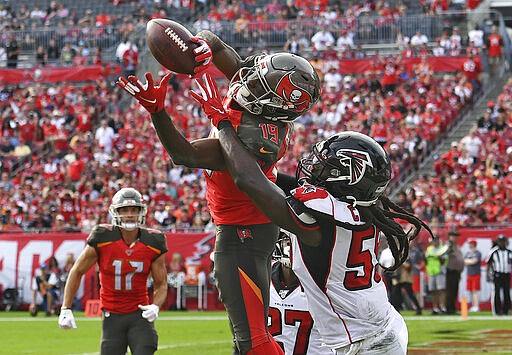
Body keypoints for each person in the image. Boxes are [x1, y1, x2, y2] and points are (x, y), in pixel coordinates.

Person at [117, 27, 320, 355]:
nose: (248, 79)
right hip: (254, 231)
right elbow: (231, 57)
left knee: (253, 342)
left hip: (241, 239)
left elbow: (185, 154)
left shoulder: (253, 136)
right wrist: (203, 43)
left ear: (268, 101)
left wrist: (158, 113)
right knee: (247, 340)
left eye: (258, 83)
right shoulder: (259, 107)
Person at [193, 81, 432, 354]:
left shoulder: (325, 218)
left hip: (364, 344)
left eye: (326, 166)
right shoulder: (361, 207)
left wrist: (223, 124)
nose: (314, 168)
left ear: (349, 178)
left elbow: (250, 181)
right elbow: (273, 182)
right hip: (378, 325)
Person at [57, 187, 168, 355]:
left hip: (140, 313)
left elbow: (161, 283)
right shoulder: (102, 237)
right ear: (116, 212)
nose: (130, 214)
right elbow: (77, 271)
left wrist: (155, 306)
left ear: (141, 212)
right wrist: (66, 308)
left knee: (146, 348)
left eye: (134, 210)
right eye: (124, 210)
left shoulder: (153, 241)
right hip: (112, 315)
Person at [269, 231, 331, 355]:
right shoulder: (262, 276)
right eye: (289, 241)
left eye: (299, 242)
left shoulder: (325, 281)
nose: (294, 247)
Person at [486, 234, 511, 316]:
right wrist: (488, 275)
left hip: (506, 273)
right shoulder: (494, 251)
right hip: (497, 274)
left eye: (503, 241)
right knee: (497, 292)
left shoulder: (509, 252)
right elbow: (489, 264)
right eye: (500, 241)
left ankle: (506, 310)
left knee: (506, 292)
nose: (502, 243)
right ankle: (497, 310)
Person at [425, 235, 448, 314]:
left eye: (435, 240)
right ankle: (435, 308)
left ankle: (443, 307)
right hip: (431, 271)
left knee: (441, 290)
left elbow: (444, 261)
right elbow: (426, 260)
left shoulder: (443, 249)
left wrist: (440, 257)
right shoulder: (429, 249)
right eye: (433, 240)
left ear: (438, 241)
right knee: (433, 291)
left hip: (440, 271)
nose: (434, 242)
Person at [444, 230, 464, 314]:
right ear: (450, 237)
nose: (455, 238)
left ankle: (452, 307)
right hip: (450, 270)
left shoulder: (457, 246)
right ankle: (449, 308)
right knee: (450, 290)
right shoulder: (448, 245)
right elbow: (444, 253)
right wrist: (449, 245)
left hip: (457, 272)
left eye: (456, 236)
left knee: (455, 290)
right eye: (454, 236)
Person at [464, 238, 482, 312]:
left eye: (470, 243)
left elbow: (474, 261)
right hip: (469, 274)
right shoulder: (468, 253)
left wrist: (469, 261)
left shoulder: (478, 253)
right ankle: (473, 305)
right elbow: (464, 261)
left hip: (476, 274)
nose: (469, 245)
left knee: (475, 290)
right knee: (471, 291)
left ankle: (476, 306)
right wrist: (469, 261)